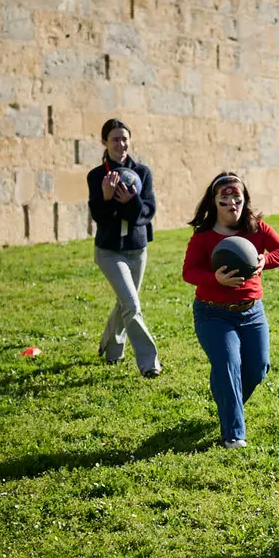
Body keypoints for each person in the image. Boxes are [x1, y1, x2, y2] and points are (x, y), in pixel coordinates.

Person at [182, 173, 279, 448]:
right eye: (225, 199)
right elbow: (189, 272)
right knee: (228, 364)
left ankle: (226, 398)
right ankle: (233, 435)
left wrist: (264, 260)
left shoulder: (257, 229)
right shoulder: (203, 237)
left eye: (238, 198)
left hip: (252, 312)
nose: (232, 204)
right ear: (214, 202)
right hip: (213, 314)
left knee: (257, 369)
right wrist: (215, 279)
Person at [86, 118, 162, 377]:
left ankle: (110, 348)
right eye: (115, 139)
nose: (121, 144)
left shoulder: (143, 173)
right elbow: (99, 216)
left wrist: (132, 202)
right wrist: (107, 199)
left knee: (124, 303)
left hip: (136, 250)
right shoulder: (97, 176)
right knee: (132, 304)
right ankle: (149, 363)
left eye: (125, 139)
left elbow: (147, 212)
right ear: (104, 142)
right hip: (109, 251)